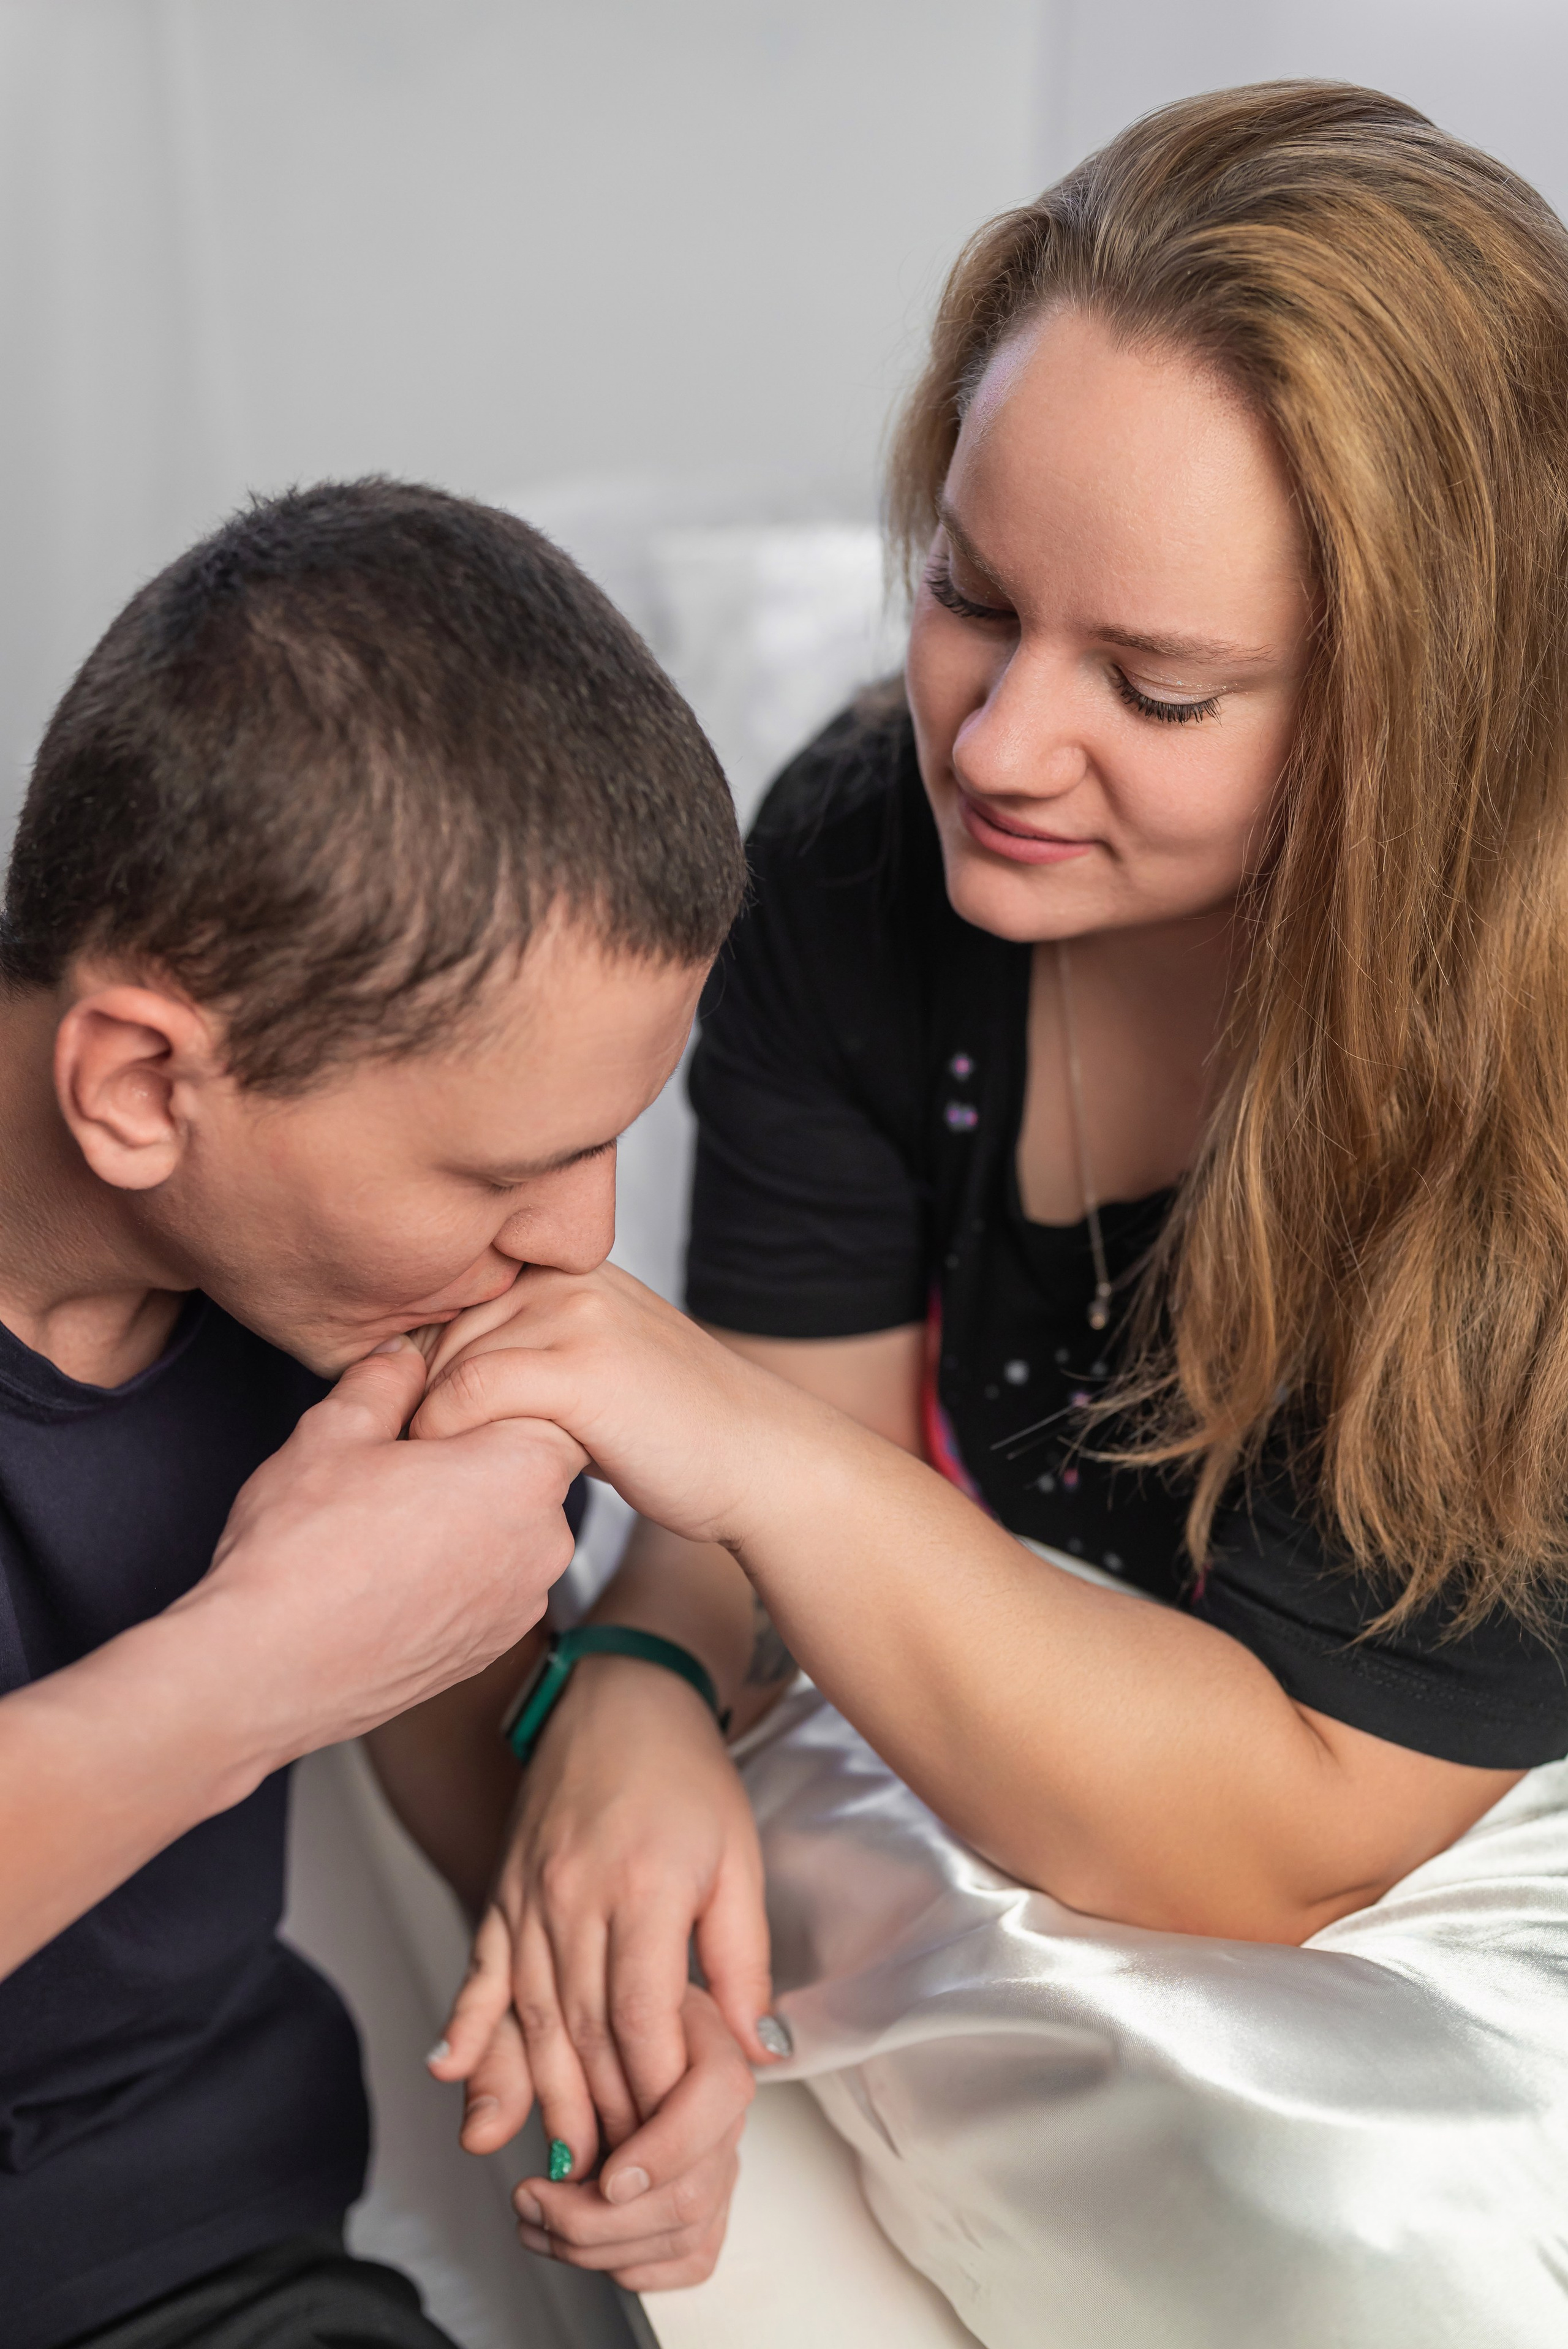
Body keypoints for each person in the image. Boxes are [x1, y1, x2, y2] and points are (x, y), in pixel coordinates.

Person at [418, 83, 1568, 2321]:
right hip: (1079, 1726)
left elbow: (1287, 1828)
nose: (1001, 742)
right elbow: (760, 1484)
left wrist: (734, 1462)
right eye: (970, 594)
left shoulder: (1518, 1079)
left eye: (1158, 686)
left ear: (1413, 728)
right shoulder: (864, 861)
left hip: (1412, 1806)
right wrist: (639, 1679)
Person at [0, 477, 747, 2349]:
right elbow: (327, 1646)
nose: (576, 1239)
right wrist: (266, 1661)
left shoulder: (331, 1300)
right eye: (503, 1169)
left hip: (201, 2270)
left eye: (604, 1148)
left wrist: (637, 2014)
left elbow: (466, 1716)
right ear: (142, 1086)